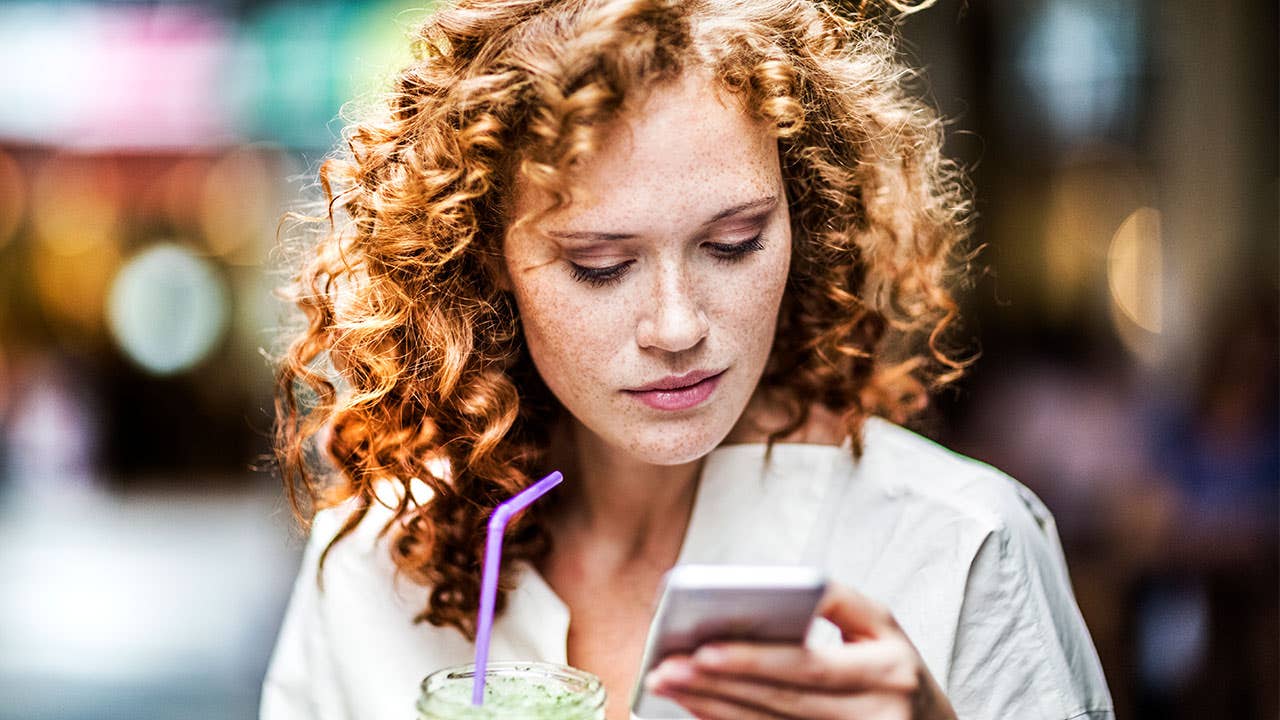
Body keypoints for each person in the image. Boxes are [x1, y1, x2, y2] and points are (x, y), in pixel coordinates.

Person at [262, 1, 1114, 718]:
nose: (676, 326)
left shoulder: (958, 546)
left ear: (803, 220)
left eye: (734, 244)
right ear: (484, 259)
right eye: (600, 264)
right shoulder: (376, 560)